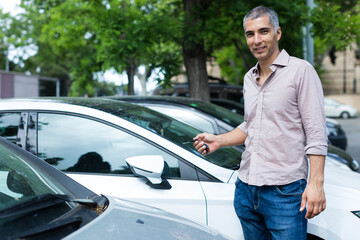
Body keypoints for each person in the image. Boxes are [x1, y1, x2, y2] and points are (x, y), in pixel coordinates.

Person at [193, 6, 327, 240]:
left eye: (263, 31)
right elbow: (250, 125)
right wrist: (219, 140)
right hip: (246, 189)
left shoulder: (300, 71)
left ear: (278, 33)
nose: (256, 40)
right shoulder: (249, 78)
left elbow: (316, 132)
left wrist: (316, 184)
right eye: (250, 34)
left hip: (284, 193)